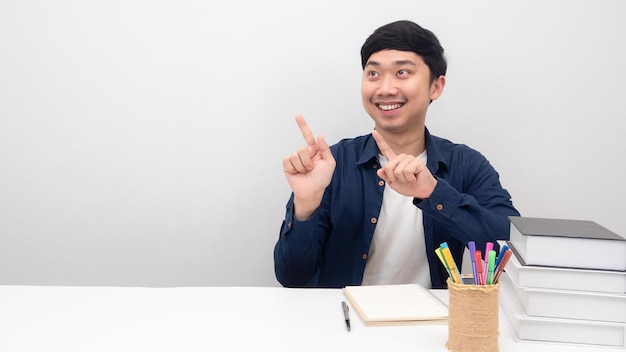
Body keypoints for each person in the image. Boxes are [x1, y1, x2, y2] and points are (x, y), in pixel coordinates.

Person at [274, 20, 520, 289]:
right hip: (345, 322)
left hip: (430, 325)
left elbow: (510, 247)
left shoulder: (467, 164)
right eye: (374, 74)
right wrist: (306, 206)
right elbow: (292, 277)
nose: (385, 88)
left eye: (402, 72)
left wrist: (434, 193)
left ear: (436, 86)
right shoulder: (332, 164)